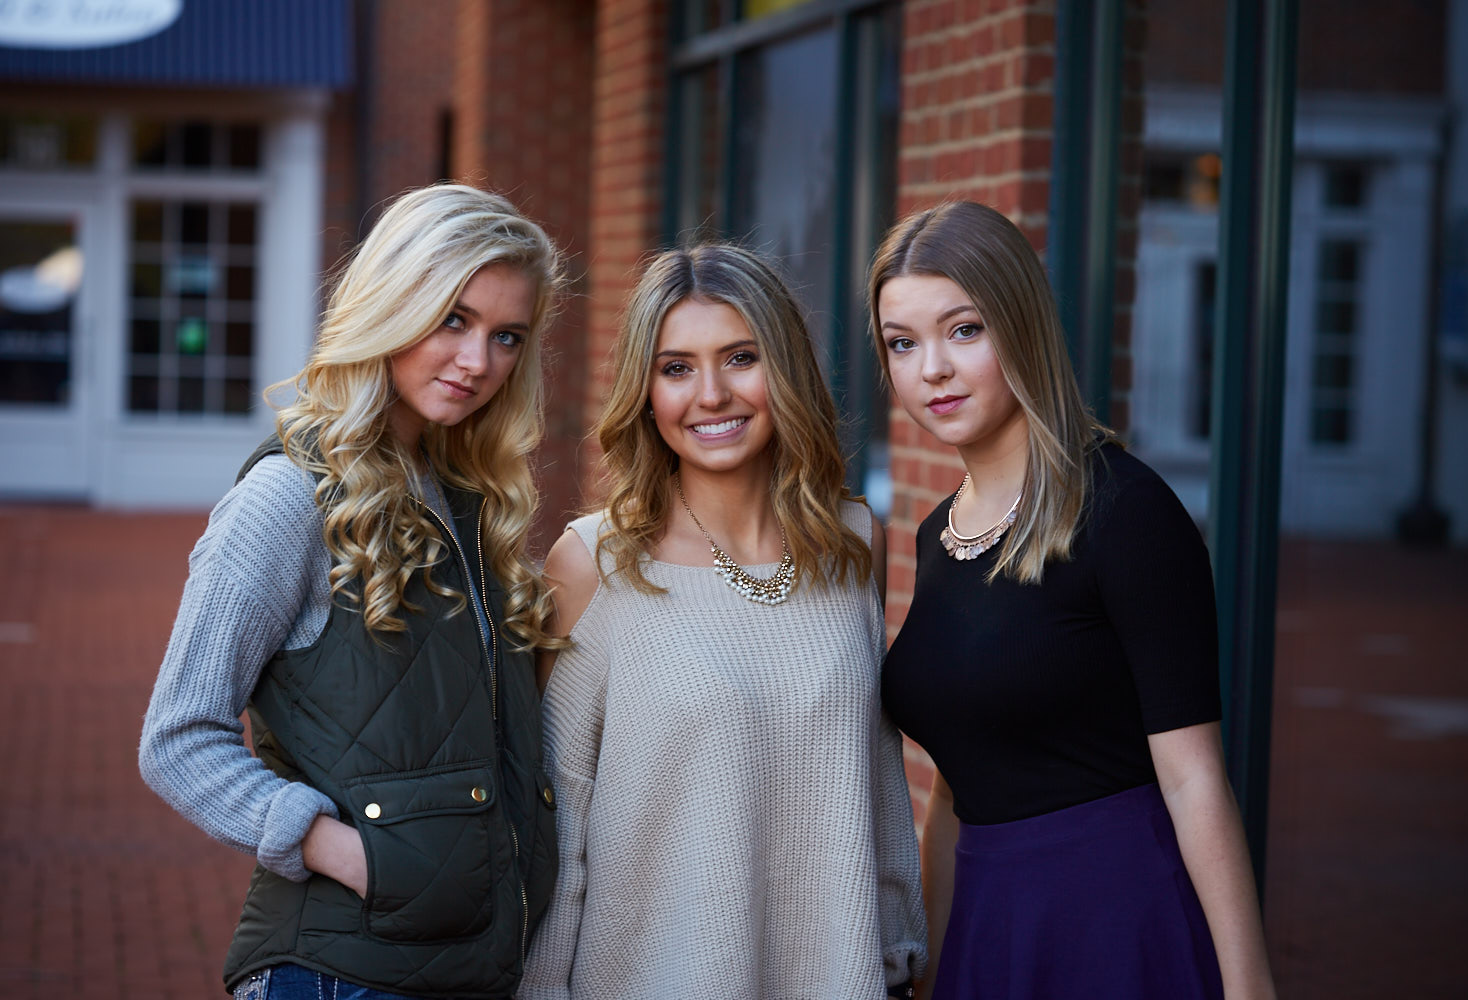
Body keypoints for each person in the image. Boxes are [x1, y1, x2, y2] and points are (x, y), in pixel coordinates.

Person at [139, 183, 564, 999]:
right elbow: (177, 736)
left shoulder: (461, 496)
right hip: (341, 971)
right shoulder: (286, 500)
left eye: (506, 335)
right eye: (453, 319)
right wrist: (353, 857)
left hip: (468, 966)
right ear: (392, 304)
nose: (479, 362)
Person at [871, 201, 1276, 1000]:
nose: (933, 371)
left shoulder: (1126, 510)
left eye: (964, 330)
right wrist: (933, 968)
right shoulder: (936, 536)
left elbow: (1195, 779)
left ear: (1021, 327)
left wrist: (1249, 985)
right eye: (902, 344)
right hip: (987, 922)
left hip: (1115, 921)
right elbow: (955, 786)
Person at [518, 243, 927, 999]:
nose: (710, 394)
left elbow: (876, 779)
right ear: (645, 392)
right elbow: (558, 821)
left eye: (740, 358)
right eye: (676, 368)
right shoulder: (594, 564)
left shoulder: (852, 545)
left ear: (786, 371)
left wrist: (901, 954)